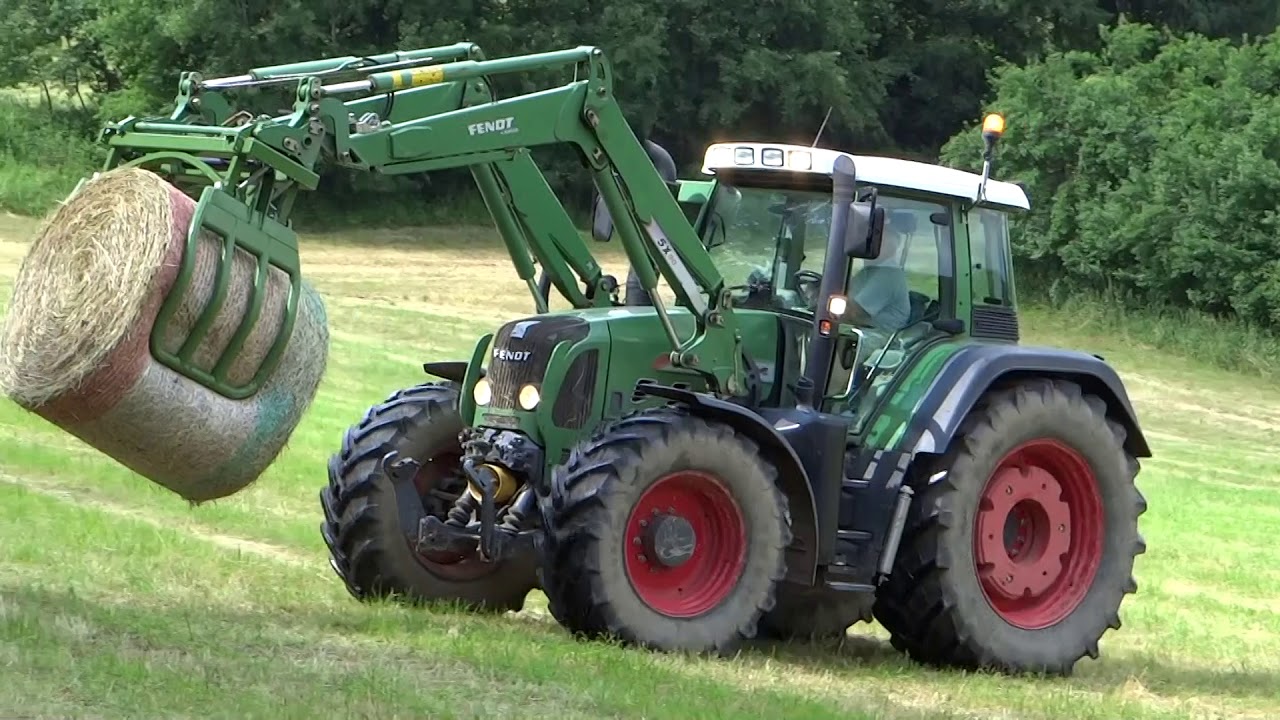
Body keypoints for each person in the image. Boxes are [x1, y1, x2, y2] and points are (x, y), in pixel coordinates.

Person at [845, 213, 911, 332]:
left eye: (874, 242)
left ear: (891, 248)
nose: (865, 244)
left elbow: (855, 312)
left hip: (879, 336)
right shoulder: (869, 271)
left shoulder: (888, 275)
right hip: (861, 330)